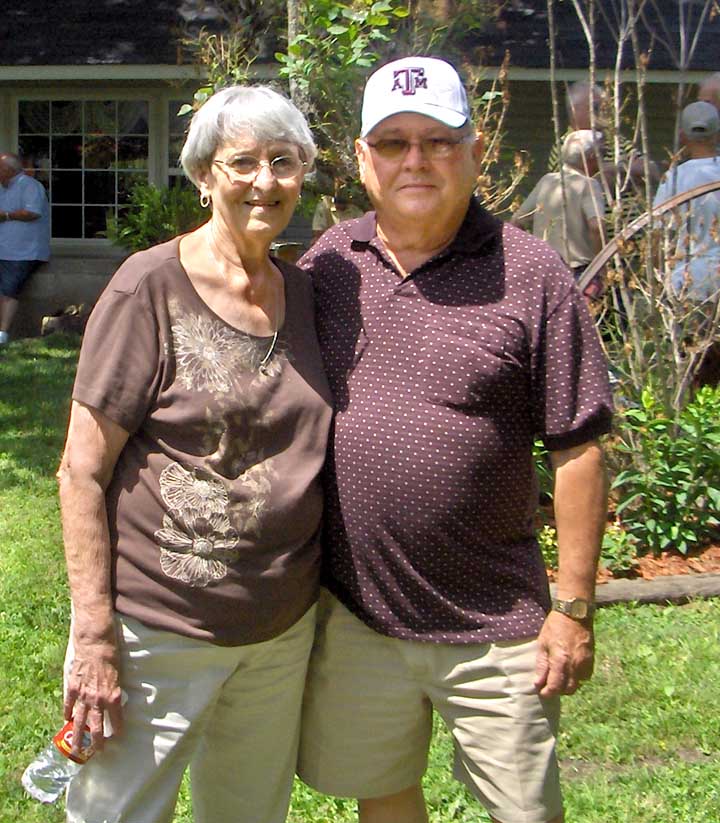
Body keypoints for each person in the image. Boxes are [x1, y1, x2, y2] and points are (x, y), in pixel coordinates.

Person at [297, 56, 613, 823]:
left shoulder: (531, 274)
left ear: (474, 153)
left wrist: (572, 608)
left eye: (438, 141)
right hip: (360, 613)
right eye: (393, 142)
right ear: (363, 160)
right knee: (383, 792)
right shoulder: (328, 265)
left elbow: (579, 448)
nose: (416, 160)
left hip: (496, 624)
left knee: (525, 810)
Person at [56, 85, 332, 823]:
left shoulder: (306, 294)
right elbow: (81, 470)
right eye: (242, 162)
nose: (265, 181)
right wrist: (94, 634)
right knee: (116, 814)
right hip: (157, 631)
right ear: (205, 175)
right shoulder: (148, 288)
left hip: (278, 630)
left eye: (284, 161)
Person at [513, 129, 606, 285]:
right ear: (591, 157)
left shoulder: (547, 181)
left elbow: (517, 222)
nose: (604, 159)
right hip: (579, 272)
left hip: (543, 270)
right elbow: (597, 228)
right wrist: (601, 267)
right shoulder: (588, 184)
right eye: (602, 153)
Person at [653, 101, 720, 300]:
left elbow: (657, 235)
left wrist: (656, 279)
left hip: (687, 279)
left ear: (682, 136)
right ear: (717, 134)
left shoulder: (673, 179)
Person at [0, 153, 50, 345]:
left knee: (9, 290)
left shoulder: (30, 186)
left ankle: (3, 333)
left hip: (23, 251)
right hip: (5, 249)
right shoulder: (2, 188)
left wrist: (6, 216)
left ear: (8, 170)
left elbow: (32, 212)